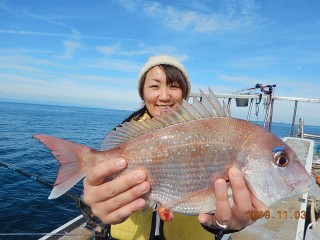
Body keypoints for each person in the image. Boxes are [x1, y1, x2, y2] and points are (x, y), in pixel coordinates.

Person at [83, 55, 269, 240]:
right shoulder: (126, 135)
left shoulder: (209, 130)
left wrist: (223, 226)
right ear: (142, 92)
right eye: (155, 86)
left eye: (174, 86)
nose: (164, 96)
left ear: (185, 93)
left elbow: (218, 204)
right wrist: (101, 204)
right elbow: (104, 187)